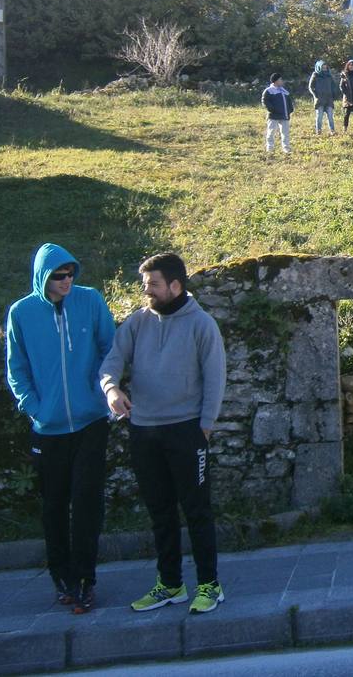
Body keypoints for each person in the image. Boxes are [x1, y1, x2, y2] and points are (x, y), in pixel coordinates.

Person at [101, 253, 228, 615]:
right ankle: (171, 584)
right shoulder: (137, 323)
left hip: (187, 431)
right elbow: (112, 359)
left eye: (153, 285)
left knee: (197, 511)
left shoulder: (202, 325)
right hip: (144, 432)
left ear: (175, 285)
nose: (147, 292)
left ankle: (210, 585)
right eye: (145, 285)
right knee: (160, 512)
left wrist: (204, 427)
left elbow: (216, 377)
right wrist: (111, 389)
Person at [6, 243, 115, 615]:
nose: (67, 281)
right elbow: (16, 368)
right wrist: (35, 409)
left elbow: (109, 349)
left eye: (70, 273)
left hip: (91, 421)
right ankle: (61, 577)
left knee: (87, 502)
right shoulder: (21, 313)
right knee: (54, 506)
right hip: (48, 428)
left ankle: (86, 579)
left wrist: (102, 394)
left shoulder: (90, 300)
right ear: (43, 277)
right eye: (58, 275)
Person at [261, 73, 294, 154]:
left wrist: (290, 110)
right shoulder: (269, 91)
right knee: (271, 132)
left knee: (285, 133)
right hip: (273, 116)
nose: (282, 81)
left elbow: (289, 102)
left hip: (284, 115)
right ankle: (270, 149)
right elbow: (265, 101)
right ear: (275, 81)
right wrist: (272, 109)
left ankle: (286, 149)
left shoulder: (285, 91)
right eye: (280, 79)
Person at [308, 59, 338, 135]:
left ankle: (332, 131)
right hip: (319, 99)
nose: (324, 69)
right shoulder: (315, 75)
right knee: (319, 116)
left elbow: (333, 86)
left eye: (325, 67)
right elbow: (311, 87)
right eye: (323, 67)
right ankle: (319, 131)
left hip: (329, 99)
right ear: (319, 67)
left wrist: (334, 94)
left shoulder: (329, 75)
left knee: (330, 116)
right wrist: (315, 95)